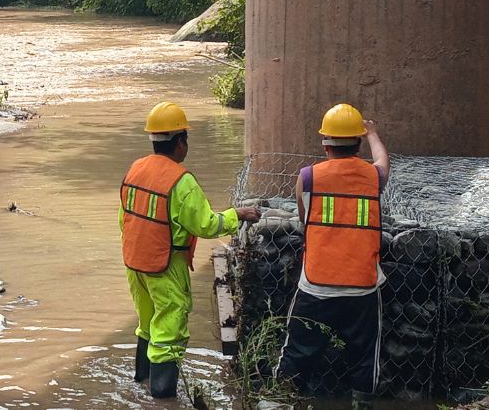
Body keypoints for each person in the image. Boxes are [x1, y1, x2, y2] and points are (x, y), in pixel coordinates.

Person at [122, 101, 260, 398]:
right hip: (166, 265)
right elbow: (207, 226)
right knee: (169, 331)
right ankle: (161, 398)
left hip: (135, 263)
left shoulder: (135, 168)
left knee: (147, 324)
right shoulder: (181, 181)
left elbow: (125, 219)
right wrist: (238, 214)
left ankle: (140, 384)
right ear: (181, 142)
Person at [277, 103, 390, 398]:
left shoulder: (308, 177)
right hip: (361, 289)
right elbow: (382, 160)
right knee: (365, 358)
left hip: (316, 286)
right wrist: (373, 133)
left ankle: (283, 401)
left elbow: (304, 219)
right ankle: (360, 404)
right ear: (358, 143)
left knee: (297, 354)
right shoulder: (373, 177)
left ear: (325, 144)